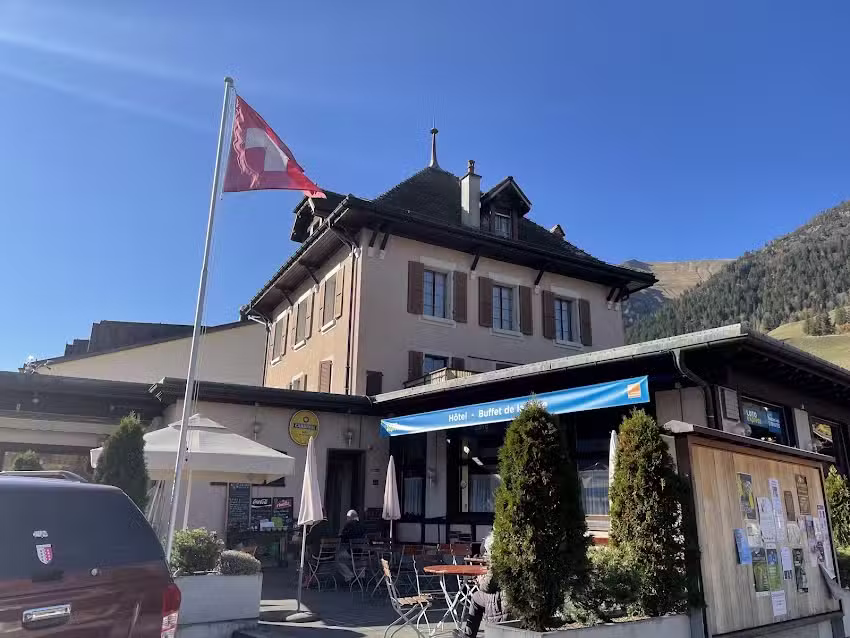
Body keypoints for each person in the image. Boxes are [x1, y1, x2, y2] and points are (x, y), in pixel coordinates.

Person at [454, 533, 509, 638]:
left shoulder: (497, 558)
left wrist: (480, 581)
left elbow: (488, 586)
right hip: (508, 596)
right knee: (476, 596)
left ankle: (469, 635)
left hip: (501, 599)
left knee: (476, 597)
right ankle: (468, 634)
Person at [337, 509, 366, 582]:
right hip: (362, 552)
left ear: (349, 517)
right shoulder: (362, 526)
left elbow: (344, 538)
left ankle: (349, 575)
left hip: (351, 552)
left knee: (338, 558)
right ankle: (361, 576)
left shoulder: (348, 525)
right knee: (360, 560)